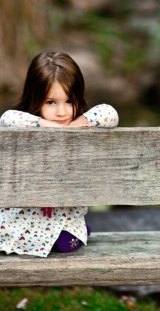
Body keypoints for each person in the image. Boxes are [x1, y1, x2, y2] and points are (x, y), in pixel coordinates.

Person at [0, 51, 119, 257]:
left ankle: (76, 233)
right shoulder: (27, 125)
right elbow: (7, 118)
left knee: (63, 243)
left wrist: (75, 125)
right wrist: (46, 126)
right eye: (51, 102)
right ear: (35, 99)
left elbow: (109, 113)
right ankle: (76, 234)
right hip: (25, 216)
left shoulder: (82, 125)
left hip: (63, 217)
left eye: (69, 101)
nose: (62, 112)